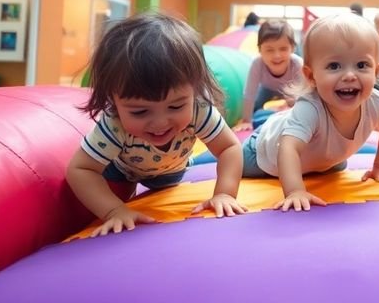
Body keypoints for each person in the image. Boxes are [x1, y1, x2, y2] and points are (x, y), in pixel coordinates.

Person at [66, 12, 247, 237]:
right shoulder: (114, 124)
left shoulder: (198, 109)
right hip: (120, 172)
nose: (160, 123)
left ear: (194, 89)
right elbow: (80, 169)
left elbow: (229, 148)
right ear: (113, 100)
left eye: (175, 107)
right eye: (140, 111)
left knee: (236, 154)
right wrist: (114, 210)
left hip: (170, 173)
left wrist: (225, 193)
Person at [240, 13, 379, 212]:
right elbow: (288, 148)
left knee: (337, 165)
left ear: (376, 72)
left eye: (362, 65)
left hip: (321, 160)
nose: (350, 75)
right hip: (264, 152)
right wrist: (295, 191)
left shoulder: (375, 105)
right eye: (334, 66)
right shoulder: (310, 108)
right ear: (311, 76)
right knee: (231, 162)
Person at [234, 19, 303, 131]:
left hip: (290, 89)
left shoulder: (298, 64)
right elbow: (249, 93)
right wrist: (246, 121)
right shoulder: (257, 63)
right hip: (267, 88)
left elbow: (305, 94)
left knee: (295, 104)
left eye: (283, 49)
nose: (277, 55)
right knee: (255, 106)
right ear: (260, 50)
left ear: (293, 48)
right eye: (269, 50)